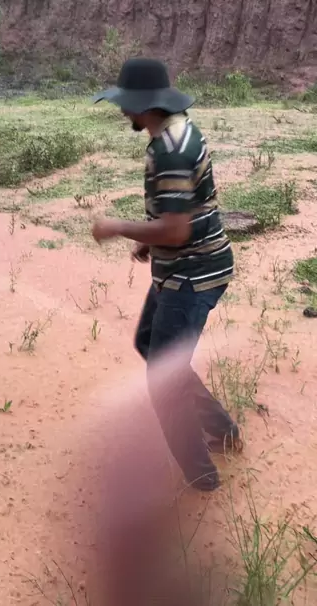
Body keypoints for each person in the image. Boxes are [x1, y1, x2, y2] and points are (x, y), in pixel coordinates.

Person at [91, 57, 242, 491]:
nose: (122, 109)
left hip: (192, 275)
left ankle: (201, 476)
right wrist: (149, 240)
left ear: (144, 104)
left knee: (163, 378)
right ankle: (223, 430)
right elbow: (184, 213)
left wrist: (118, 227)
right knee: (149, 343)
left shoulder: (171, 150)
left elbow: (176, 231)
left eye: (125, 102)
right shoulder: (177, 131)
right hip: (184, 268)